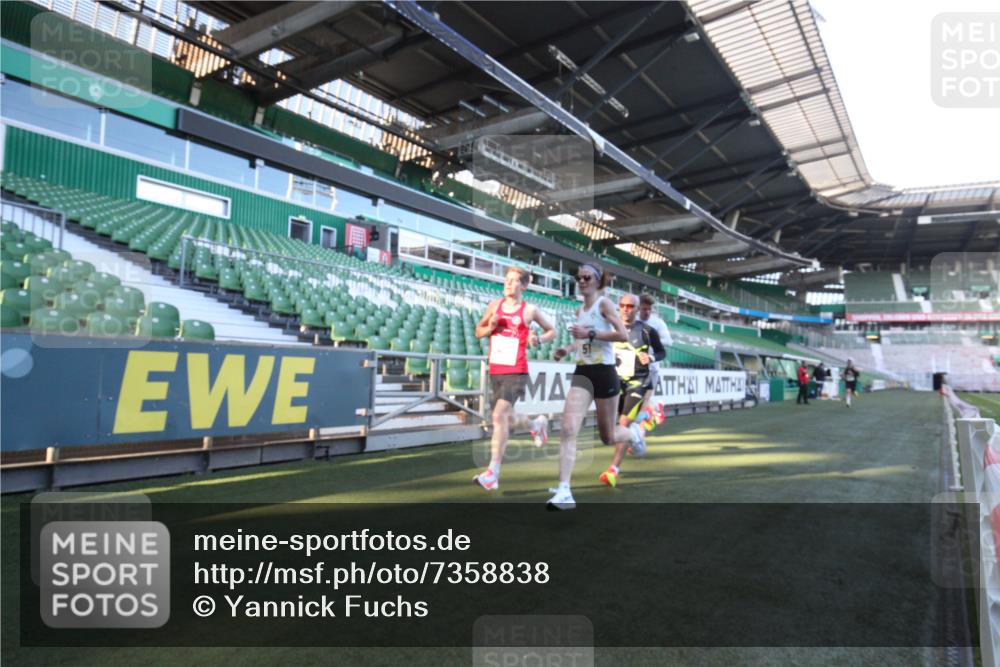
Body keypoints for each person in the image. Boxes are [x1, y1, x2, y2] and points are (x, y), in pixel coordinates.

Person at [547, 263, 636, 510]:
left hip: (605, 372)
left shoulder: (604, 304)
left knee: (608, 437)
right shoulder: (579, 311)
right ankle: (564, 491)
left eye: (586, 277)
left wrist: (591, 334)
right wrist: (568, 348)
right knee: (567, 428)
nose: (581, 281)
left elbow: (622, 335)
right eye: (578, 277)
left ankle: (633, 434)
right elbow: (581, 339)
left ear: (598, 281)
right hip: (583, 372)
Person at [472, 267, 556, 491]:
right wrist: (489, 327)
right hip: (496, 370)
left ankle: (493, 473)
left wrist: (538, 339)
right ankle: (536, 424)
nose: (508, 284)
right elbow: (478, 332)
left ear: (524, 286)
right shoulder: (494, 306)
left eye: (513, 281)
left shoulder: (529, 310)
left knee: (499, 415)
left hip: (517, 370)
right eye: (506, 280)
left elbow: (552, 331)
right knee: (505, 418)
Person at [599, 294, 666, 488]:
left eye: (630, 306)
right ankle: (639, 432)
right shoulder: (610, 327)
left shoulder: (647, 330)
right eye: (623, 305)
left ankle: (613, 470)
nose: (626, 309)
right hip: (614, 382)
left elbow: (662, 352)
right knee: (609, 430)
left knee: (623, 423)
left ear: (637, 309)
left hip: (638, 383)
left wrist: (651, 358)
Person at [636, 293, 672, 431]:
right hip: (633, 368)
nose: (647, 312)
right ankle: (657, 409)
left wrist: (650, 343)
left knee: (642, 404)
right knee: (636, 403)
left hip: (651, 369)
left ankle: (638, 436)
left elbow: (668, 341)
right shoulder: (632, 320)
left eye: (649, 309)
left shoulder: (658, 323)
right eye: (644, 309)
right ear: (638, 308)